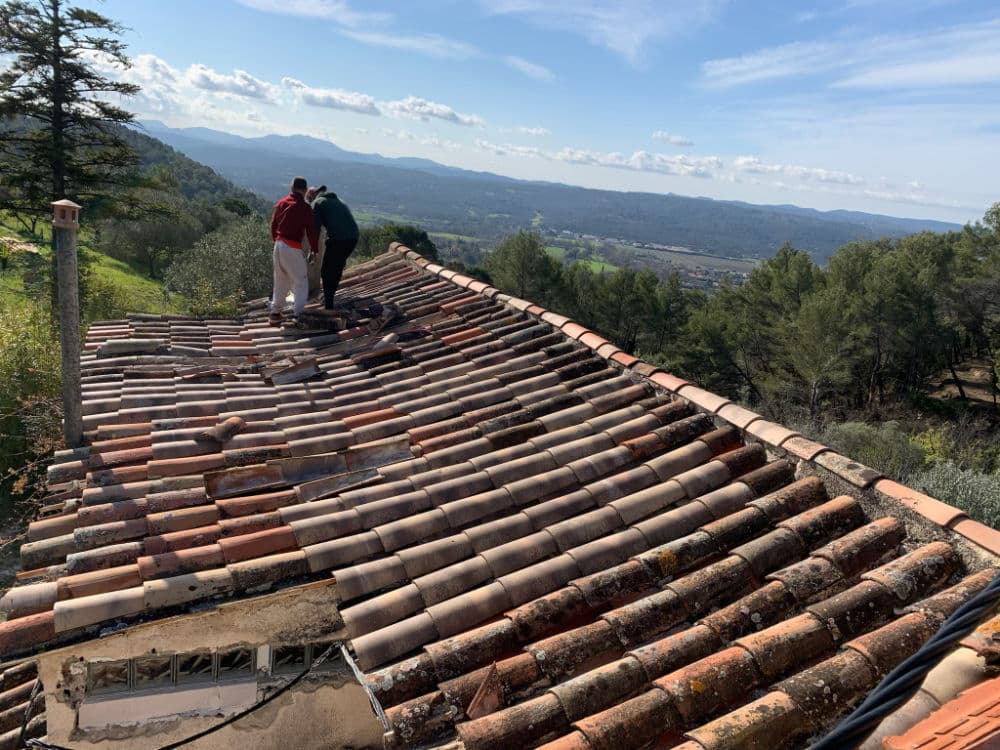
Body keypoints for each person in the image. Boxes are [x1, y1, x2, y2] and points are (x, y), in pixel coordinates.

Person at [269, 176, 319, 326]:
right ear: (304, 191)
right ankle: (298, 315)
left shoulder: (281, 203)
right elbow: (311, 231)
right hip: (292, 246)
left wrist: (276, 240)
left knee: (280, 279)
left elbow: (273, 224)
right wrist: (315, 250)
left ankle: (275, 313)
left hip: (278, 244)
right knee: (301, 281)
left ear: (291, 189)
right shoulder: (304, 208)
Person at [310, 185, 359, 310]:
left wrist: (313, 249)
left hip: (339, 240)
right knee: (335, 268)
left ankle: (329, 305)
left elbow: (315, 229)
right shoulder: (337, 200)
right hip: (353, 238)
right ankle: (330, 298)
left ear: (312, 196)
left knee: (326, 271)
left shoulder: (317, 203)